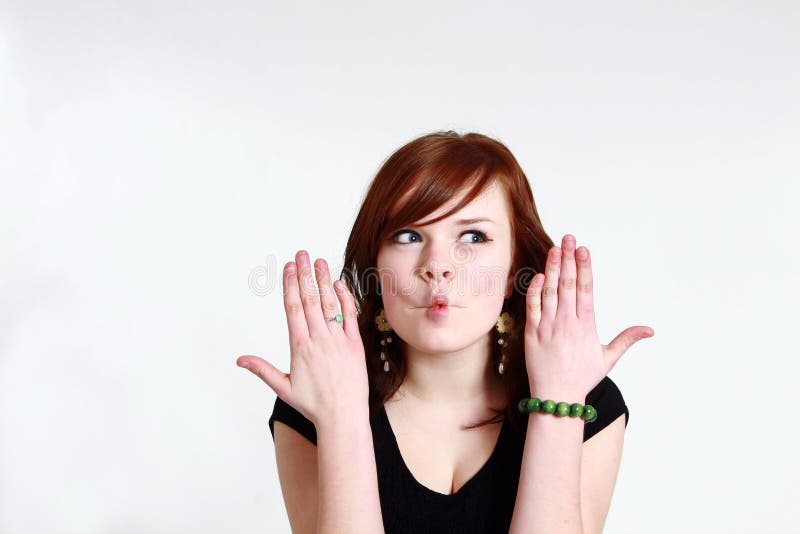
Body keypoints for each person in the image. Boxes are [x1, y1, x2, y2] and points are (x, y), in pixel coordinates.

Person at [236, 130, 654, 534]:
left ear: (513, 271)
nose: (438, 264)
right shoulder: (316, 400)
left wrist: (559, 402)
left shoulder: (586, 400)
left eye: (474, 236)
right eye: (408, 235)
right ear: (376, 268)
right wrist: (341, 420)